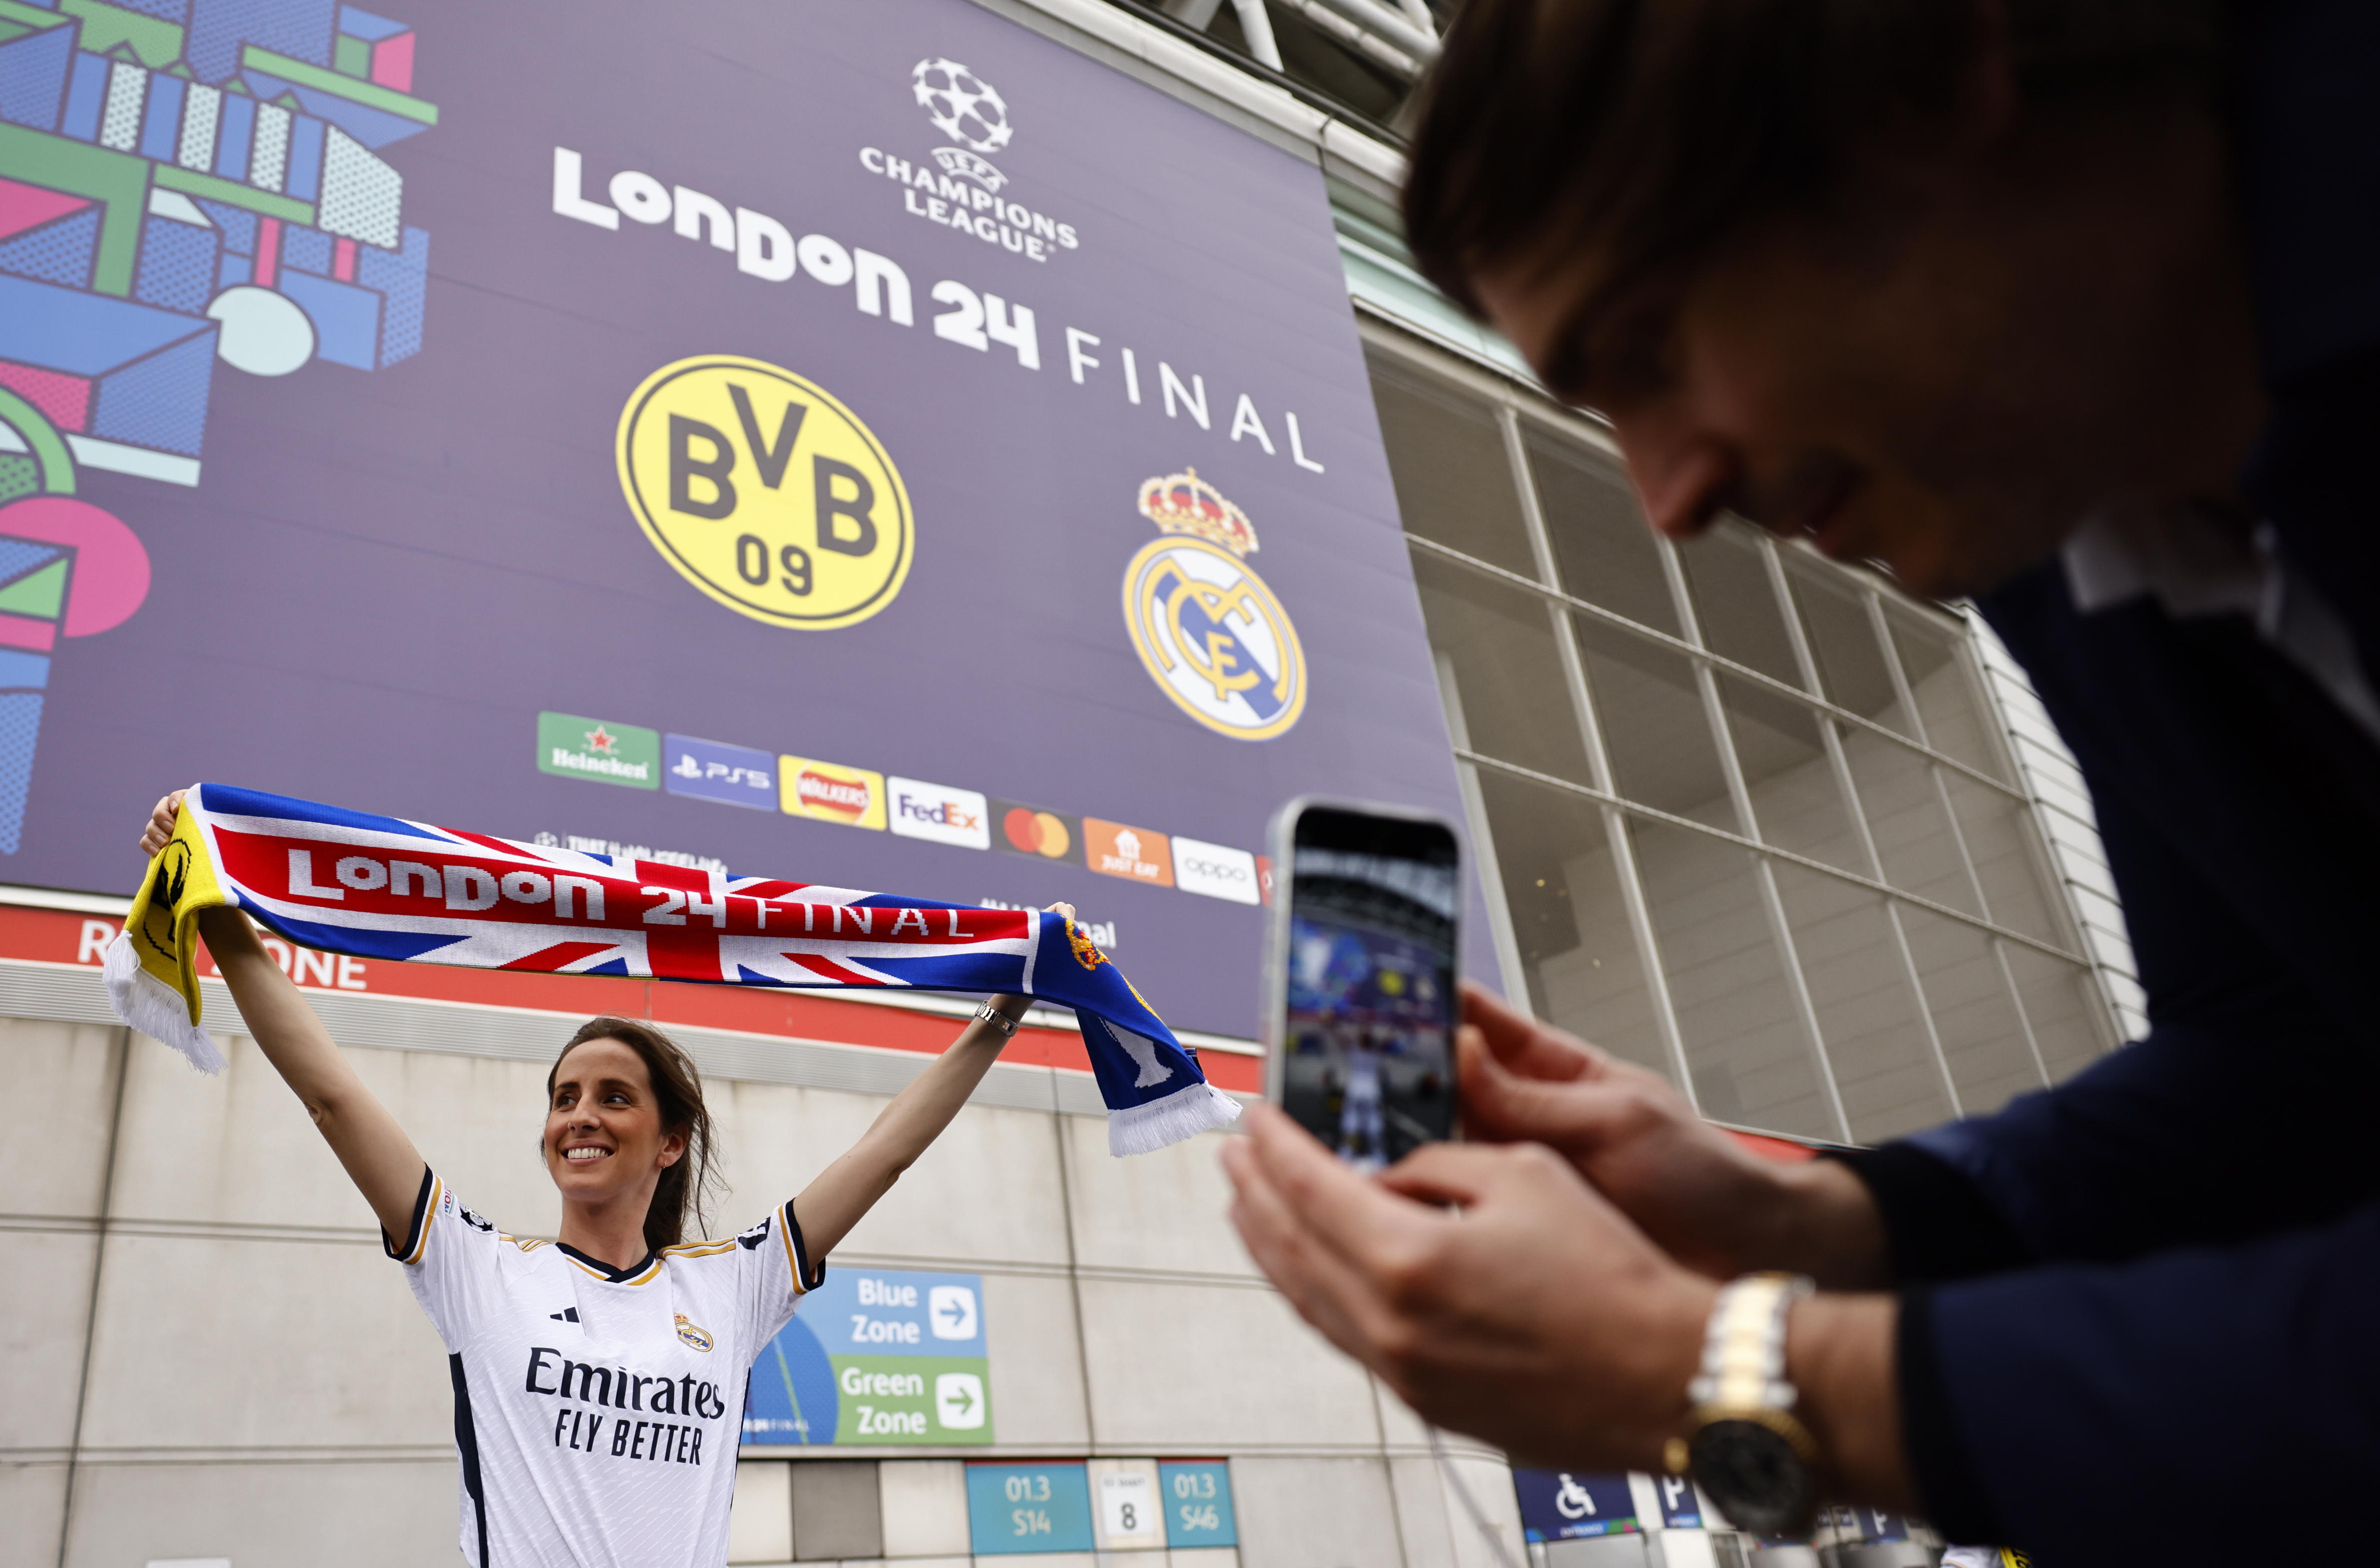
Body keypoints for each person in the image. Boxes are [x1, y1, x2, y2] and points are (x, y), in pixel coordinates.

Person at [1220, 0, 2380, 1560]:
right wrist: (1815, 1224)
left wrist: (1735, 1376)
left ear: (1934, 77)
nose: (1670, 494)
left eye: (1652, 350)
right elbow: (2289, 1054)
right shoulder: (2052, 517)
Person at [138, 791, 1066, 1568]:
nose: (579, 1114)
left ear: (670, 1142)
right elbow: (333, 1095)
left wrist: (1003, 1010)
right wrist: (214, 904)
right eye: (564, 1096)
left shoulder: (733, 1284)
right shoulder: (477, 1266)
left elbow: (884, 1152)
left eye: (615, 1096)